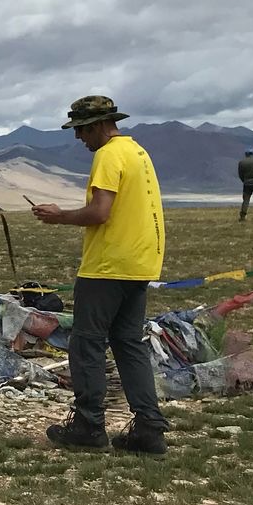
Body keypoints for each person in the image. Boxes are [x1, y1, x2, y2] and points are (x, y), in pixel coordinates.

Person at [33, 96, 168, 455]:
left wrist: (59, 216)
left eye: (81, 129)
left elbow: (100, 212)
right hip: (140, 263)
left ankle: (89, 425)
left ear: (96, 125)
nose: (79, 137)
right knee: (128, 342)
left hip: (108, 265)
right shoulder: (138, 152)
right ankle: (149, 428)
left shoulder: (108, 155)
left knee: (87, 342)